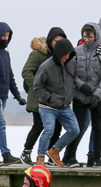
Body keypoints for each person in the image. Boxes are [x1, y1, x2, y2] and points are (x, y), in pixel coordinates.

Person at [62, 23, 101, 168]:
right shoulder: (76, 51)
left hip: (98, 97)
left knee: (97, 127)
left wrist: (96, 95)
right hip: (80, 96)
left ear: (96, 35)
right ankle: (70, 157)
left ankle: (96, 158)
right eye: (85, 36)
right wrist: (81, 86)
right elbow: (72, 73)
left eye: (90, 37)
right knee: (76, 127)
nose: (87, 39)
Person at [20, 27, 67, 165]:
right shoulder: (38, 54)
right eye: (56, 41)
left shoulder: (59, 56)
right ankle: (26, 153)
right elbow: (26, 72)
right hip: (38, 99)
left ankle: (49, 155)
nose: (58, 44)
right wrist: (38, 87)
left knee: (57, 127)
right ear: (50, 40)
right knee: (39, 126)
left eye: (61, 41)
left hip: (54, 100)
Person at [33, 38, 79, 167]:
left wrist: (70, 95)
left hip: (64, 106)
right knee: (49, 130)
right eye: (65, 54)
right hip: (47, 106)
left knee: (75, 130)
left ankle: (54, 151)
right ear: (59, 53)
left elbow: (73, 81)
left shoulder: (71, 63)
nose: (67, 56)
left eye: (69, 54)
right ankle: (40, 158)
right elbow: (37, 86)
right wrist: (50, 98)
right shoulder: (46, 66)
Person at [78, 13, 101, 166]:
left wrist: (100, 91)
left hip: (98, 93)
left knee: (96, 126)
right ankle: (69, 153)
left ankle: (93, 156)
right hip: (83, 93)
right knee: (82, 125)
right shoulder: (85, 42)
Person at [0, 22, 24, 166]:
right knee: (1, 124)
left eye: (8, 36)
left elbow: (10, 76)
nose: (6, 38)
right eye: (3, 35)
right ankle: (5, 154)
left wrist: (17, 95)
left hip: (4, 96)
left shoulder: (6, 54)